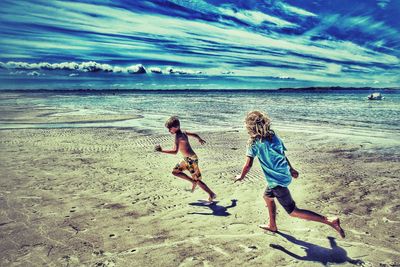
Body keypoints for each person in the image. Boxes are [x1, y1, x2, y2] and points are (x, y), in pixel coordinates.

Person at [234, 111, 345, 238]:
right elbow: (283, 156)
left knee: (293, 211)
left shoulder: (253, 143)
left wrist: (241, 176)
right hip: (283, 175)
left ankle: (329, 221)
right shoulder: (274, 138)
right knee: (267, 197)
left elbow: (248, 165)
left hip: (277, 182)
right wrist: (291, 169)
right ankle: (272, 225)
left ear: (250, 127)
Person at [155, 116, 216, 202]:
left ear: (176, 127)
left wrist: (162, 151)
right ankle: (193, 181)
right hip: (187, 159)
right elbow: (194, 134)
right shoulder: (183, 133)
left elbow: (174, 151)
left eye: (170, 129)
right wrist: (199, 139)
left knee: (197, 180)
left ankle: (211, 194)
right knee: (175, 172)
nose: (169, 131)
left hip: (191, 160)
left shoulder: (178, 136)